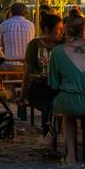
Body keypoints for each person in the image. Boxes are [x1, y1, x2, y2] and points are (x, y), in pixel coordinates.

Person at [47, 12, 85, 163]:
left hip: (69, 101)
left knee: (68, 114)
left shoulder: (57, 52)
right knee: (83, 111)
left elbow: (53, 84)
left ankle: (71, 156)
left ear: (66, 29)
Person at [24, 11, 64, 149]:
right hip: (39, 86)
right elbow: (28, 72)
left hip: (58, 86)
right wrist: (22, 95)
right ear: (47, 30)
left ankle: (53, 135)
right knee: (49, 101)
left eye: (62, 29)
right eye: (58, 29)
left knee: (56, 98)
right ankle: (49, 135)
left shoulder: (63, 45)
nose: (61, 32)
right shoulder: (35, 45)